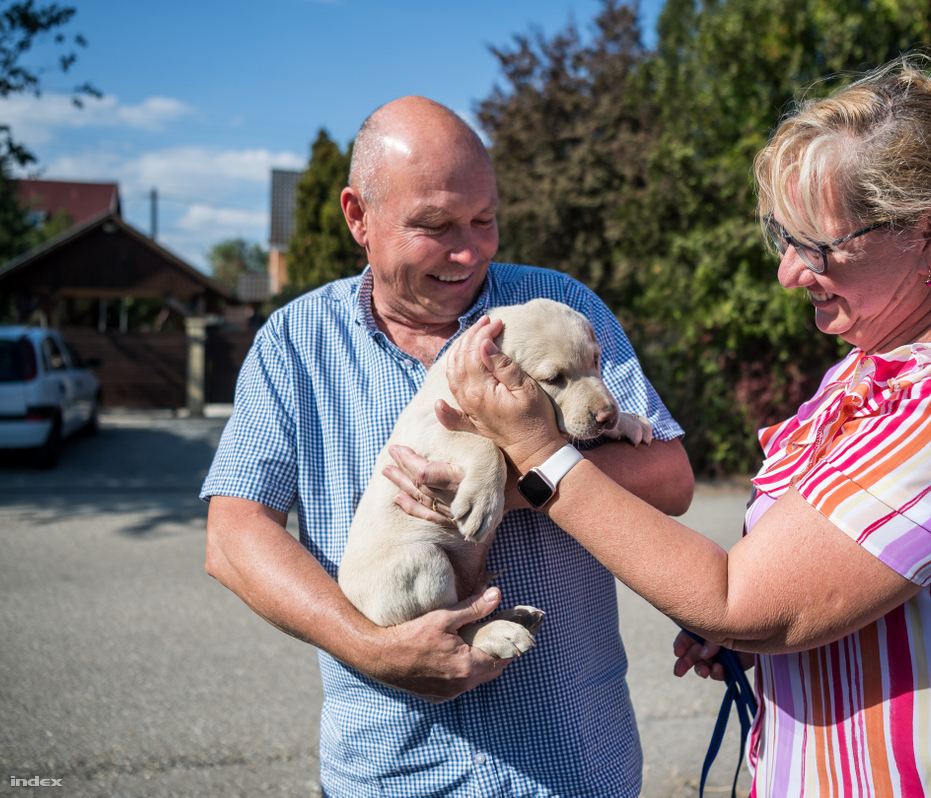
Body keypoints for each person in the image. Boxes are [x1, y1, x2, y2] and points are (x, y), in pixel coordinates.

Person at [393, 60, 931, 795]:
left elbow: (739, 597)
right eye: (781, 238)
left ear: (930, 236)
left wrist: (537, 451)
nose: (788, 273)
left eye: (817, 247)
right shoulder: (870, 370)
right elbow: (809, 591)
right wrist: (764, 644)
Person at [201, 96, 695, 796]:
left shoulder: (554, 308)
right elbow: (233, 536)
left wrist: (507, 486)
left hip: (573, 764)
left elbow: (669, 476)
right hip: (395, 770)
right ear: (357, 217)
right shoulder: (294, 344)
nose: (468, 250)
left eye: (484, 219)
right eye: (433, 225)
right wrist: (372, 647)